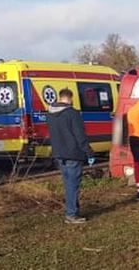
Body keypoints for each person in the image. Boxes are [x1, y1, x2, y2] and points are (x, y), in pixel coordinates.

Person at [47, 88, 95, 224]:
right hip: (73, 153)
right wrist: (89, 152)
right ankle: (71, 214)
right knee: (73, 185)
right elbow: (80, 135)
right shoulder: (72, 114)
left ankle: (72, 211)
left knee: (68, 183)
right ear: (70, 98)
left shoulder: (50, 114)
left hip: (59, 154)